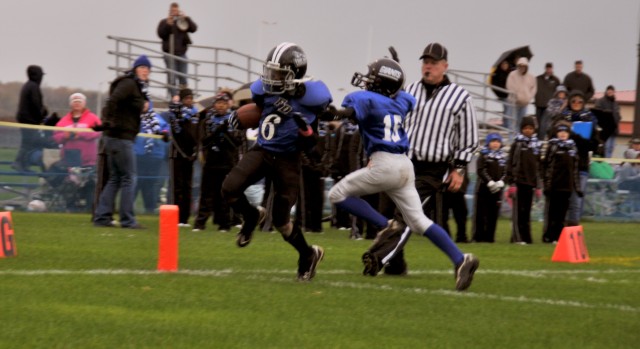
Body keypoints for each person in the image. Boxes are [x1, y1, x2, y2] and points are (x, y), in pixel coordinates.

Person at [323, 57, 479, 291]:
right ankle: (460, 259)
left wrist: (332, 114)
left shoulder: (365, 99)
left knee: (337, 194)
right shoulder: (402, 100)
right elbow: (391, 97)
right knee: (418, 221)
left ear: (381, 83)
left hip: (384, 164)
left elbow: (349, 112)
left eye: (372, 76)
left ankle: (383, 225)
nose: (367, 80)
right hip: (405, 165)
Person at [368, 42, 479, 276]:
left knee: (405, 214)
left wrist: (459, 169)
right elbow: (393, 123)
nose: (428, 67)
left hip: (432, 168)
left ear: (444, 66)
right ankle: (396, 265)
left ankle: (378, 258)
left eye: (434, 63)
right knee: (388, 212)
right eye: (425, 62)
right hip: (401, 162)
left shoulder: (459, 97)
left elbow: (468, 136)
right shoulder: (409, 91)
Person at [222, 42, 330, 281]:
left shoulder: (310, 96)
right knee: (229, 188)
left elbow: (313, 141)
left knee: (281, 220)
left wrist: (297, 115)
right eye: (272, 71)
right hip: (262, 150)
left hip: (288, 159)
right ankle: (251, 216)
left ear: (295, 75)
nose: (272, 77)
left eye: (279, 73)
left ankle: (307, 254)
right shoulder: (265, 90)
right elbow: (257, 109)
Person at [93, 55, 151, 229]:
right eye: (142, 68)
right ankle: (127, 219)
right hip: (120, 137)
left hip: (114, 137)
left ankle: (102, 217)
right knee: (129, 178)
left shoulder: (135, 87)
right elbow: (113, 100)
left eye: (147, 69)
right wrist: (108, 121)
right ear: (135, 69)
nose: (145, 71)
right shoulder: (129, 84)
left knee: (116, 178)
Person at [193, 93, 242, 232]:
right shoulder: (208, 121)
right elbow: (204, 141)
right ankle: (200, 223)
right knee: (206, 194)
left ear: (228, 105)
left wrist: (226, 133)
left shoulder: (234, 120)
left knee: (225, 194)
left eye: (224, 103)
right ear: (214, 104)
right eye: (218, 103)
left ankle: (224, 224)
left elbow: (236, 143)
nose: (221, 106)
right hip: (211, 162)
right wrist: (216, 132)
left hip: (227, 163)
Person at [558, 90, 602, 225]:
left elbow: (594, 145)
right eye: (573, 101)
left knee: (577, 200)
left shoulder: (589, 119)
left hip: (581, 165)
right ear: (569, 102)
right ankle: (560, 229)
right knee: (563, 198)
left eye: (580, 101)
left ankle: (572, 230)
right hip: (563, 166)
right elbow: (554, 138)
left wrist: (577, 136)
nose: (577, 104)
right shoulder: (562, 118)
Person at [541, 121, 581, 243]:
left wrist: (577, 187)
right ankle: (548, 235)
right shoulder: (553, 146)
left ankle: (558, 237)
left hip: (566, 186)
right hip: (554, 186)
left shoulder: (572, 148)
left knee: (562, 214)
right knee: (551, 212)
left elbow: (575, 169)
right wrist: (547, 184)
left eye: (565, 132)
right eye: (560, 132)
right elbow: (547, 167)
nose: (563, 134)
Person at [167, 88, 200, 227]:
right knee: (178, 187)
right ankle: (176, 217)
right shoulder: (175, 115)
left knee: (188, 187)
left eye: (190, 98)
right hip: (178, 155)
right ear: (181, 99)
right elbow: (175, 136)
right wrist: (183, 153)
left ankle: (185, 218)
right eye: (186, 98)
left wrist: (194, 153)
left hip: (190, 156)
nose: (189, 101)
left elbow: (197, 137)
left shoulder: (195, 116)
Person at [505, 116, 541, 244]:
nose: (528, 130)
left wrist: (538, 186)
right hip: (518, 182)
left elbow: (537, 167)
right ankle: (516, 237)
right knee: (518, 212)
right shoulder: (517, 144)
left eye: (530, 128)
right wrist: (512, 182)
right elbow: (511, 163)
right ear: (521, 129)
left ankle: (527, 238)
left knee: (526, 212)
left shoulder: (536, 145)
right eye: (525, 128)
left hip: (530, 184)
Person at [134, 101, 170, 214]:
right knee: (136, 182)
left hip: (154, 156)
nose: (144, 104)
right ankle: (127, 208)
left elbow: (166, 129)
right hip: (138, 154)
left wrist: (164, 132)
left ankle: (150, 209)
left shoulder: (157, 118)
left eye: (146, 102)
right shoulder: (134, 118)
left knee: (150, 184)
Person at [13, 65, 49, 172]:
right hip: (29, 121)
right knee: (28, 142)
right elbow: (36, 104)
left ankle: (23, 164)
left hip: (26, 119)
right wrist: (42, 115)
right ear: (37, 75)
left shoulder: (28, 85)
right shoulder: (33, 86)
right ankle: (19, 163)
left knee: (28, 142)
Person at [157, 2, 197, 97]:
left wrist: (186, 18)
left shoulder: (182, 22)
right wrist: (168, 24)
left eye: (176, 11)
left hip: (182, 54)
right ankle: (174, 98)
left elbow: (194, 29)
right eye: (172, 11)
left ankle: (184, 98)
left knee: (183, 78)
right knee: (172, 78)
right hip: (169, 54)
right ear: (169, 11)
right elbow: (161, 34)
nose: (174, 13)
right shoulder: (164, 22)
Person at [471, 133, 506, 243]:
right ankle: (478, 237)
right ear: (488, 143)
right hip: (483, 189)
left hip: (497, 191)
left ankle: (490, 237)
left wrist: (501, 181)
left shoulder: (503, 157)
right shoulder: (484, 154)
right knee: (480, 214)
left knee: (493, 214)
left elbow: (506, 172)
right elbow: (480, 170)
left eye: (497, 141)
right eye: (493, 141)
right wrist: (489, 181)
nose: (495, 144)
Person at [52, 93, 102, 167]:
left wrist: (81, 133)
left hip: (88, 160)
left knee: (86, 178)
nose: (77, 103)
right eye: (74, 101)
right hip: (69, 159)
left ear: (84, 103)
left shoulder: (93, 118)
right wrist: (65, 135)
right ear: (70, 104)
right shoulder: (63, 120)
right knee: (71, 178)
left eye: (79, 101)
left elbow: (99, 132)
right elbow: (56, 137)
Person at [506, 57, 537, 130]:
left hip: (524, 103)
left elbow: (534, 88)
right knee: (512, 122)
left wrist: (529, 97)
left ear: (526, 67)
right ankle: (511, 139)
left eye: (524, 66)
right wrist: (515, 96)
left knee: (521, 122)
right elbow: (509, 86)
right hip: (513, 103)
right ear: (518, 66)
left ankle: (518, 138)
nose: (522, 67)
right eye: (520, 66)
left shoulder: (531, 77)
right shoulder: (512, 75)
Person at [442, 168, 469, 243]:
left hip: (459, 191)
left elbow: (464, 175)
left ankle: (462, 237)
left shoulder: (463, 161)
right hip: (445, 190)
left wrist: (464, 187)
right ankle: (446, 237)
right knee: (443, 215)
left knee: (462, 215)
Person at [534, 62, 560, 139]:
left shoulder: (555, 80)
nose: (549, 70)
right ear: (545, 69)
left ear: (552, 69)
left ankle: (541, 140)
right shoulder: (538, 78)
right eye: (547, 68)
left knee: (543, 123)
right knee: (538, 123)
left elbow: (560, 92)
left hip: (549, 106)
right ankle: (539, 138)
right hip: (538, 104)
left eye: (550, 68)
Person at [594, 85, 621, 158]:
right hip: (605, 129)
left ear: (614, 92)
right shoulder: (601, 101)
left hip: (614, 129)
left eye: (611, 91)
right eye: (609, 90)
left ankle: (608, 161)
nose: (610, 92)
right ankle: (606, 161)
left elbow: (617, 115)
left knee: (612, 147)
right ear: (606, 91)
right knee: (606, 147)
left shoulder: (615, 103)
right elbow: (597, 113)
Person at [491, 60, 513, 125]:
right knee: (508, 110)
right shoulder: (497, 73)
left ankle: (506, 125)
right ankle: (506, 126)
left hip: (509, 95)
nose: (504, 65)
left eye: (506, 64)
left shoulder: (510, 73)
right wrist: (500, 92)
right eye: (503, 64)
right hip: (502, 95)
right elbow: (493, 85)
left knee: (508, 110)